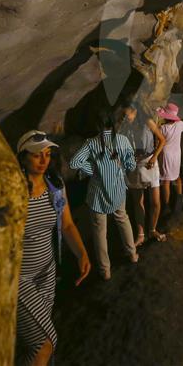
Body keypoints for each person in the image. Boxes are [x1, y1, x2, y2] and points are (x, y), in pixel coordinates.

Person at [15, 130, 91, 366]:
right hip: (19, 278)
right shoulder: (14, 190)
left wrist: (81, 253)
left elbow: (67, 225)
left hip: (46, 274)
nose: (43, 160)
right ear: (23, 157)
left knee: (36, 342)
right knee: (45, 342)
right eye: (37, 155)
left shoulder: (55, 186)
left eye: (48, 154)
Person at [69, 109, 138, 280]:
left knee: (100, 232)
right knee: (123, 219)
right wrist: (120, 169)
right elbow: (131, 164)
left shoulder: (91, 143)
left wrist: (93, 170)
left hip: (98, 195)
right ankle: (132, 254)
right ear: (112, 123)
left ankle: (105, 270)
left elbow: (73, 163)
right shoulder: (122, 140)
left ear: (96, 125)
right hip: (118, 190)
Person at [122, 103, 167, 245]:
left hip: (149, 162)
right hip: (135, 164)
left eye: (127, 114)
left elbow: (162, 140)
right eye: (124, 115)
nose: (126, 117)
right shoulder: (125, 126)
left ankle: (152, 229)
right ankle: (141, 234)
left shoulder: (148, 122)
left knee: (155, 202)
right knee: (138, 201)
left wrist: (154, 158)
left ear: (135, 111)